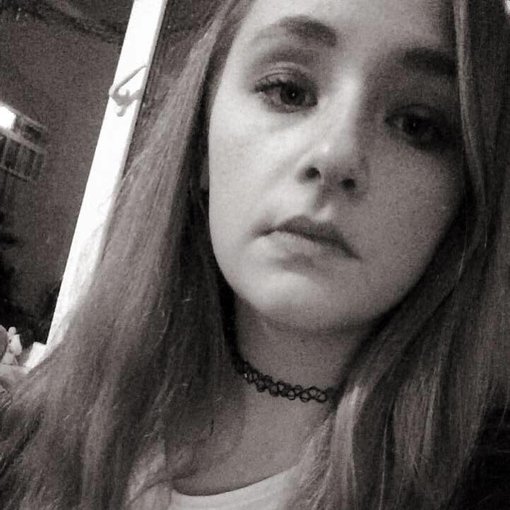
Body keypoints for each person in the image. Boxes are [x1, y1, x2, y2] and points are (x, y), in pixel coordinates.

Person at [0, 0, 509, 508]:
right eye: (289, 91)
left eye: (417, 124)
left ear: (469, 196)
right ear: (201, 143)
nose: (335, 155)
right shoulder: (32, 439)